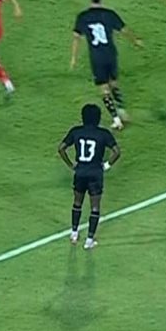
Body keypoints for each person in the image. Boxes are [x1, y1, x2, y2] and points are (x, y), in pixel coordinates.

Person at [70, 0, 142, 129]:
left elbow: (76, 38)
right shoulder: (109, 14)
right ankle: (121, 109)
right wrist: (135, 41)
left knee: (104, 89)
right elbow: (124, 30)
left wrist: (73, 58)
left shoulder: (83, 17)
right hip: (111, 54)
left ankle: (116, 119)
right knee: (114, 83)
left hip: (97, 57)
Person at [57, 103, 120, 250]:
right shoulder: (103, 133)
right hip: (95, 174)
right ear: (98, 118)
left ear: (83, 117)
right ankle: (89, 240)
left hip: (80, 172)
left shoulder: (76, 131)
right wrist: (106, 165)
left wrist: (71, 165)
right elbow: (117, 152)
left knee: (77, 203)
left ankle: (74, 233)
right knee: (95, 207)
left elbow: (61, 148)